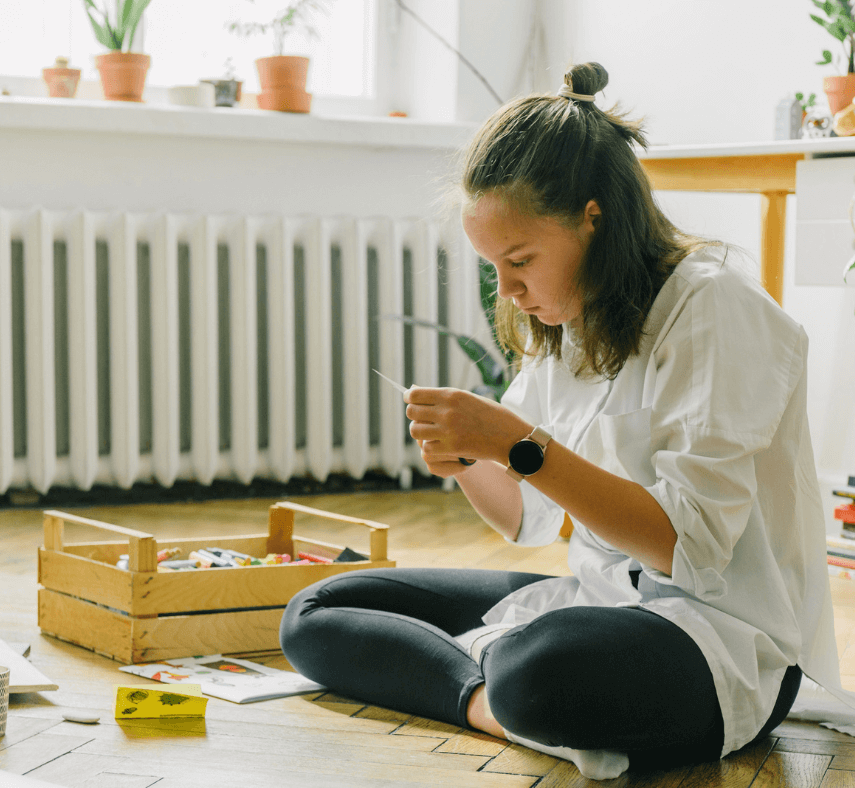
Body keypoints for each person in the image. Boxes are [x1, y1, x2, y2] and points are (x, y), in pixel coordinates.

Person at [279, 62, 840, 779]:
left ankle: (492, 686)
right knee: (317, 610)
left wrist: (514, 442)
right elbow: (524, 518)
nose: (507, 290)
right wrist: (465, 456)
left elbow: (685, 548)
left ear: (593, 218)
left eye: (520, 260)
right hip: (602, 599)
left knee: (544, 665)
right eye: (493, 267)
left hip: (723, 637)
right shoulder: (571, 321)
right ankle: (490, 701)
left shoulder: (711, 307)